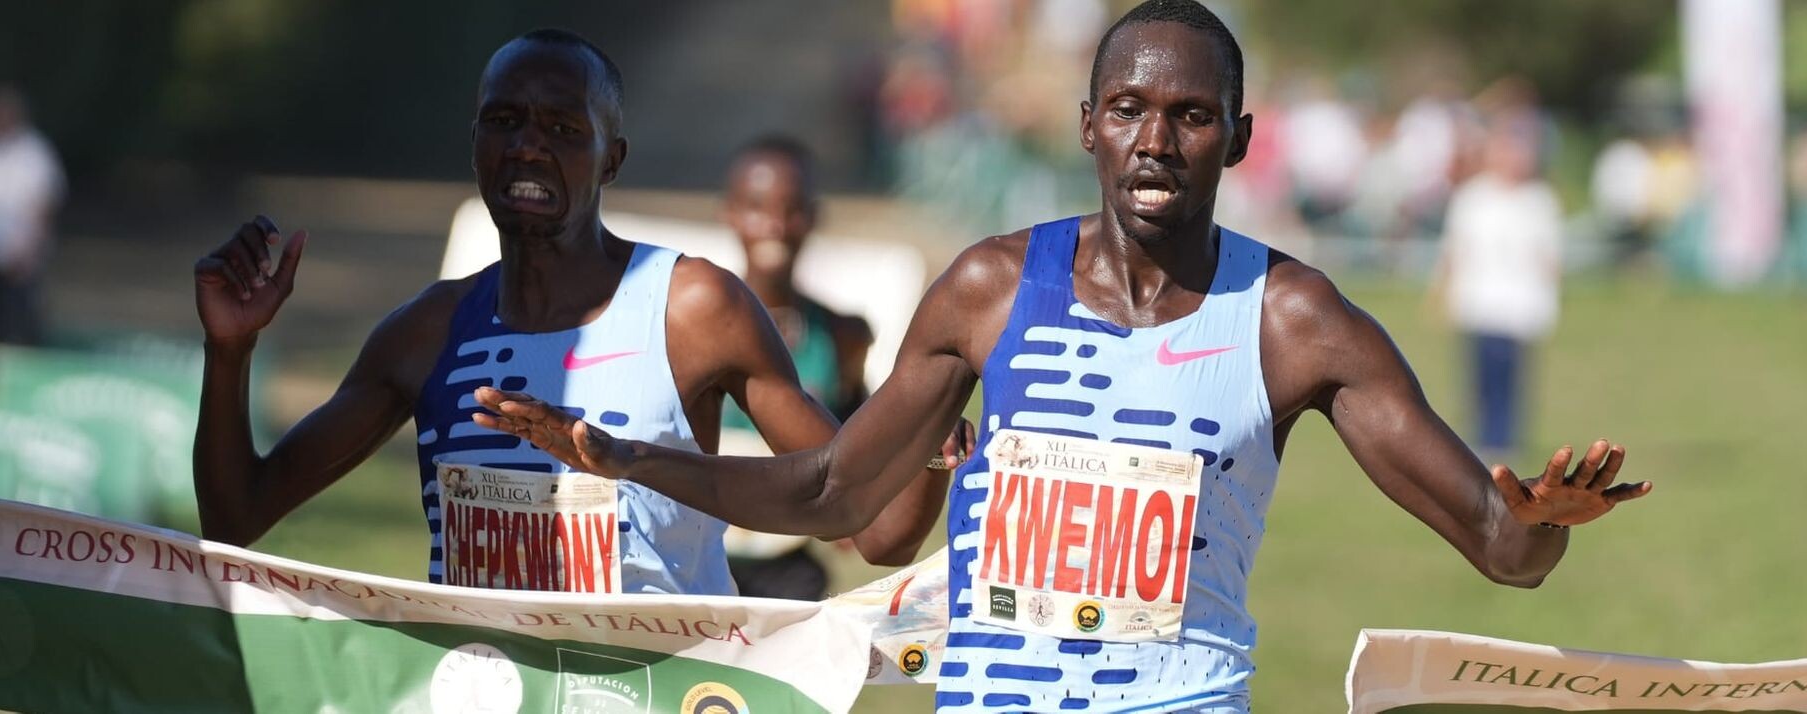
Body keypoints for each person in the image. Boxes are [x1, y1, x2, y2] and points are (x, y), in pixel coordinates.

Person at [474, 2, 1650, 710]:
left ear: (1238, 138)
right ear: (1087, 125)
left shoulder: (1292, 321)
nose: (1155, 140)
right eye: (1128, 108)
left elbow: (1502, 551)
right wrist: (624, 457)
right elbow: (830, 493)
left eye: (1191, 115)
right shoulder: (988, 290)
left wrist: (1540, 518)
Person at [190, 29, 957, 595]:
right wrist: (229, 353)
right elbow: (235, 518)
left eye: (562, 129)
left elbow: (875, 527)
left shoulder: (692, 310)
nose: (528, 147)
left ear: (610, 158)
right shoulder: (426, 333)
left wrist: (926, 447)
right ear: (475, 142)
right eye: (505, 121)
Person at [716, 136, 881, 600]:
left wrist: (854, 507)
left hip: (786, 562)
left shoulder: (842, 334)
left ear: (812, 216)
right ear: (729, 213)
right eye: (756, 207)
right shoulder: (689, 325)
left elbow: (855, 431)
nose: (775, 225)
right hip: (697, 557)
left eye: (790, 209)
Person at [1431, 112, 1563, 464]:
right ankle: (1480, 438)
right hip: (1480, 301)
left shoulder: (1539, 201)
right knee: (1480, 375)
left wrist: (1549, 298)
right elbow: (1455, 250)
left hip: (1519, 304)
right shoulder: (1473, 198)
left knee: (1511, 376)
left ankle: (1505, 441)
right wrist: (1442, 293)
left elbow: (1548, 256)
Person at [0, 85, 63, 374]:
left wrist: (28, 249)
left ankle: (25, 379)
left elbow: (45, 203)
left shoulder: (34, 152)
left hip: (23, 257)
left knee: (22, 323)